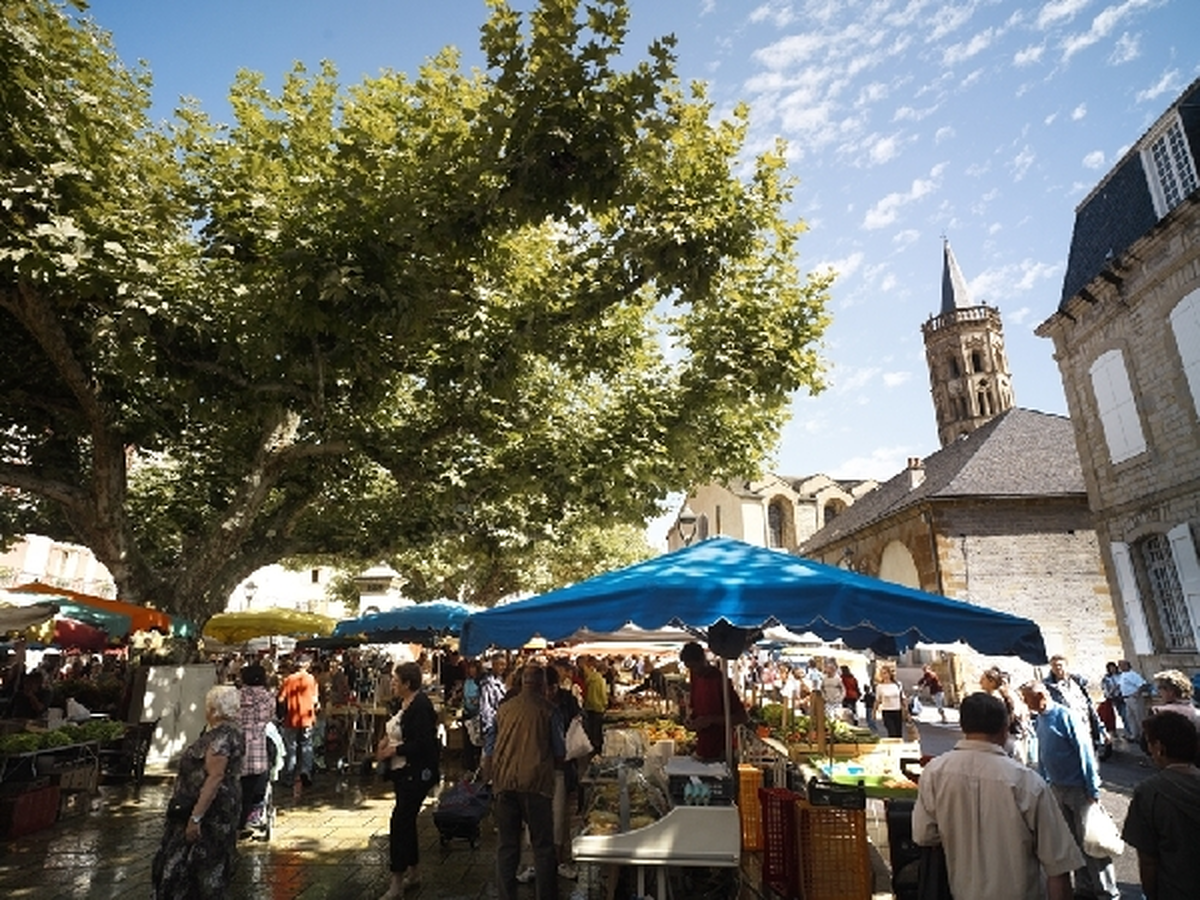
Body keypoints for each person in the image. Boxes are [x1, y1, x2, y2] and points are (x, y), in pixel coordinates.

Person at [913, 691, 1081, 900]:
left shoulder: (934, 773)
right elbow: (1058, 864)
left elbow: (924, 835)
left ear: (964, 728)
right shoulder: (1027, 782)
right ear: (1004, 729)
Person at [1020, 680, 1120, 899]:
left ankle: (1107, 892)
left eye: (1026, 698)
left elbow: (1085, 752)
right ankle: (1084, 888)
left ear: (1040, 696)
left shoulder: (1066, 716)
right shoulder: (1041, 719)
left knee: (1092, 843)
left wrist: (1092, 788)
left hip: (1078, 789)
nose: (1024, 702)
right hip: (1057, 788)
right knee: (1072, 842)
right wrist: (1043, 781)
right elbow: (1043, 754)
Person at [151, 685, 245, 900]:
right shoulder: (230, 733)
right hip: (218, 806)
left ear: (213, 709)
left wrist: (196, 817)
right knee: (209, 865)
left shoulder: (221, 737)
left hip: (210, 810)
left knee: (198, 866)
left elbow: (214, 777)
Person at [487, 664, 563, 900]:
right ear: (542, 685)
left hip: (504, 782)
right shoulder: (549, 710)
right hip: (535, 784)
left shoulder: (504, 709)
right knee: (542, 847)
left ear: (522, 683)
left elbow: (490, 746)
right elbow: (560, 750)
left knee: (507, 846)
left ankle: (506, 895)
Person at [374, 661, 440, 899]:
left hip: (416, 773)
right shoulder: (402, 704)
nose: (392, 683)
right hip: (402, 773)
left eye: (395, 680)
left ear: (407, 683)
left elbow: (423, 744)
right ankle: (414, 871)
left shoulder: (420, 706)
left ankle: (397, 881)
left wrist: (394, 751)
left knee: (399, 822)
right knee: (407, 820)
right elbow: (395, 729)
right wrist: (384, 742)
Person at [1121, 710, 1200, 900]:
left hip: (1175, 890)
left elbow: (1148, 860)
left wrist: (1151, 894)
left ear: (1158, 747)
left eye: (1149, 743)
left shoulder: (1149, 792)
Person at [679, 641, 748, 762]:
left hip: (721, 752)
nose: (693, 671)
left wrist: (711, 720)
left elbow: (742, 717)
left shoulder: (720, 680)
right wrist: (690, 720)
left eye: (694, 666)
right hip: (702, 749)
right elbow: (696, 709)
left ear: (703, 659)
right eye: (689, 668)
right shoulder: (695, 677)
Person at [1044, 653, 1111, 759]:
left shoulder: (1077, 682)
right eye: (1054, 666)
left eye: (1060, 665)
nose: (1057, 668)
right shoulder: (1047, 686)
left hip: (1085, 726)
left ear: (1066, 665)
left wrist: (1102, 730)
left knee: (1091, 760)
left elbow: (1090, 708)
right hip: (1066, 730)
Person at [237, 663, 275, 829]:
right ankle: (250, 817)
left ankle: (237, 820)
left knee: (237, 790)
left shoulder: (235, 696)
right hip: (258, 753)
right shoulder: (268, 697)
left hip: (236, 750)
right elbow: (270, 717)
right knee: (254, 791)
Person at [278, 655, 320, 796]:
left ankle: (289, 776)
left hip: (291, 719)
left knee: (291, 748)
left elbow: (281, 698)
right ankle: (305, 772)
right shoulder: (311, 679)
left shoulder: (289, 679)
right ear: (307, 664)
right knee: (307, 745)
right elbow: (315, 701)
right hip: (307, 718)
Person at [981, 665, 1030, 761]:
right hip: (1007, 735)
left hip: (1007, 736)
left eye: (983, 680)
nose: (980, 682)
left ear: (991, 681)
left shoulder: (998, 697)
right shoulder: (996, 695)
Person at [1148, 669, 1200, 745]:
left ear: (1170, 691)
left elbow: (1148, 744)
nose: (1158, 692)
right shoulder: (1196, 713)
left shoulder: (1157, 712)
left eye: (1159, 688)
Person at [478, 653, 508, 761]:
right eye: (500, 664)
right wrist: (489, 727)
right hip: (492, 726)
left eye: (504, 664)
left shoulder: (501, 681)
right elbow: (485, 707)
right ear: (493, 665)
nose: (502, 667)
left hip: (501, 725)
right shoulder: (487, 683)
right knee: (489, 756)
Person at [579, 655, 608, 759]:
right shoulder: (601, 681)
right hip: (598, 707)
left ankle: (591, 747)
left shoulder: (589, 678)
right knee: (598, 729)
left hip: (589, 706)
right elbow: (603, 695)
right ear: (603, 671)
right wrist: (605, 705)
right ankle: (597, 749)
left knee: (591, 729)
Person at [1117, 659, 1149, 743]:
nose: (1120, 667)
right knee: (1130, 717)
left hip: (1133, 698)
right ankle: (1134, 735)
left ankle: (1144, 735)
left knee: (1139, 716)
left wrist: (1137, 693)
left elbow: (1142, 684)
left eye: (1122, 665)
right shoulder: (1123, 675)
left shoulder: (1133, 675)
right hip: (1126, 698)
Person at [873, 666, 904, 738]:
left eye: (885, 673)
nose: (884, 675)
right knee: (892, 732)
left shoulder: (897, 684)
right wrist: (874, 712)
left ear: (890, 674)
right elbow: (877, 700)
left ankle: (898, 748)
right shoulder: (880, 686)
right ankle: (892, 747)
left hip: (897, 711)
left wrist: (906, 710)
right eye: (882, 673)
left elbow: (902, 698)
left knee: (898, 733)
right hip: (887, 711)